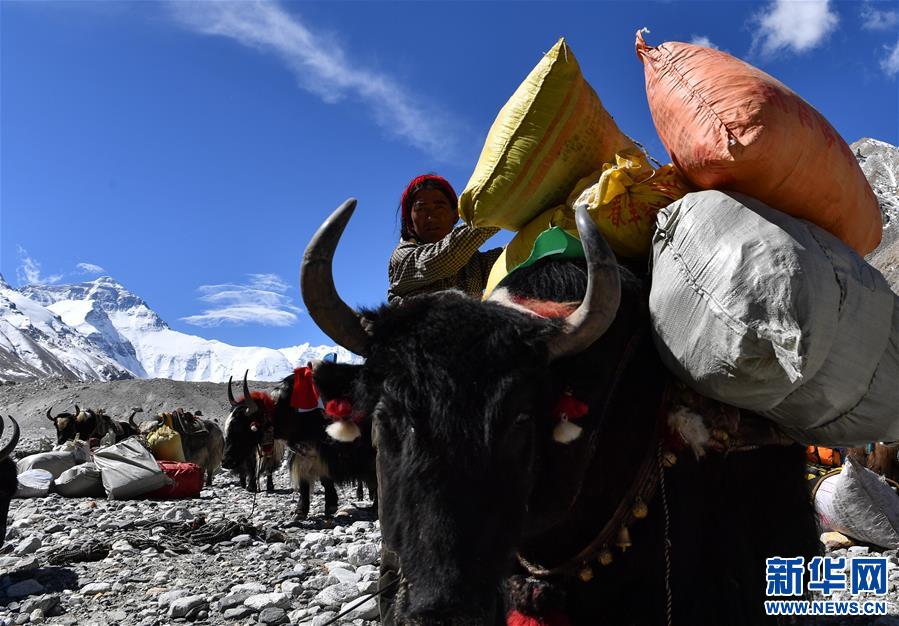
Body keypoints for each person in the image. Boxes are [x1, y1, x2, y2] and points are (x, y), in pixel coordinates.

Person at [387, 174, 501, 304]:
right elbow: (444, 258)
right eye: (421, 209)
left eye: (439, 207)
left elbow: (515, 258)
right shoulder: (403, 256)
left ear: (455, 215)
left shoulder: (473, 263)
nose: (431, 217)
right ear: (409, 220)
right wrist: (497, 212)